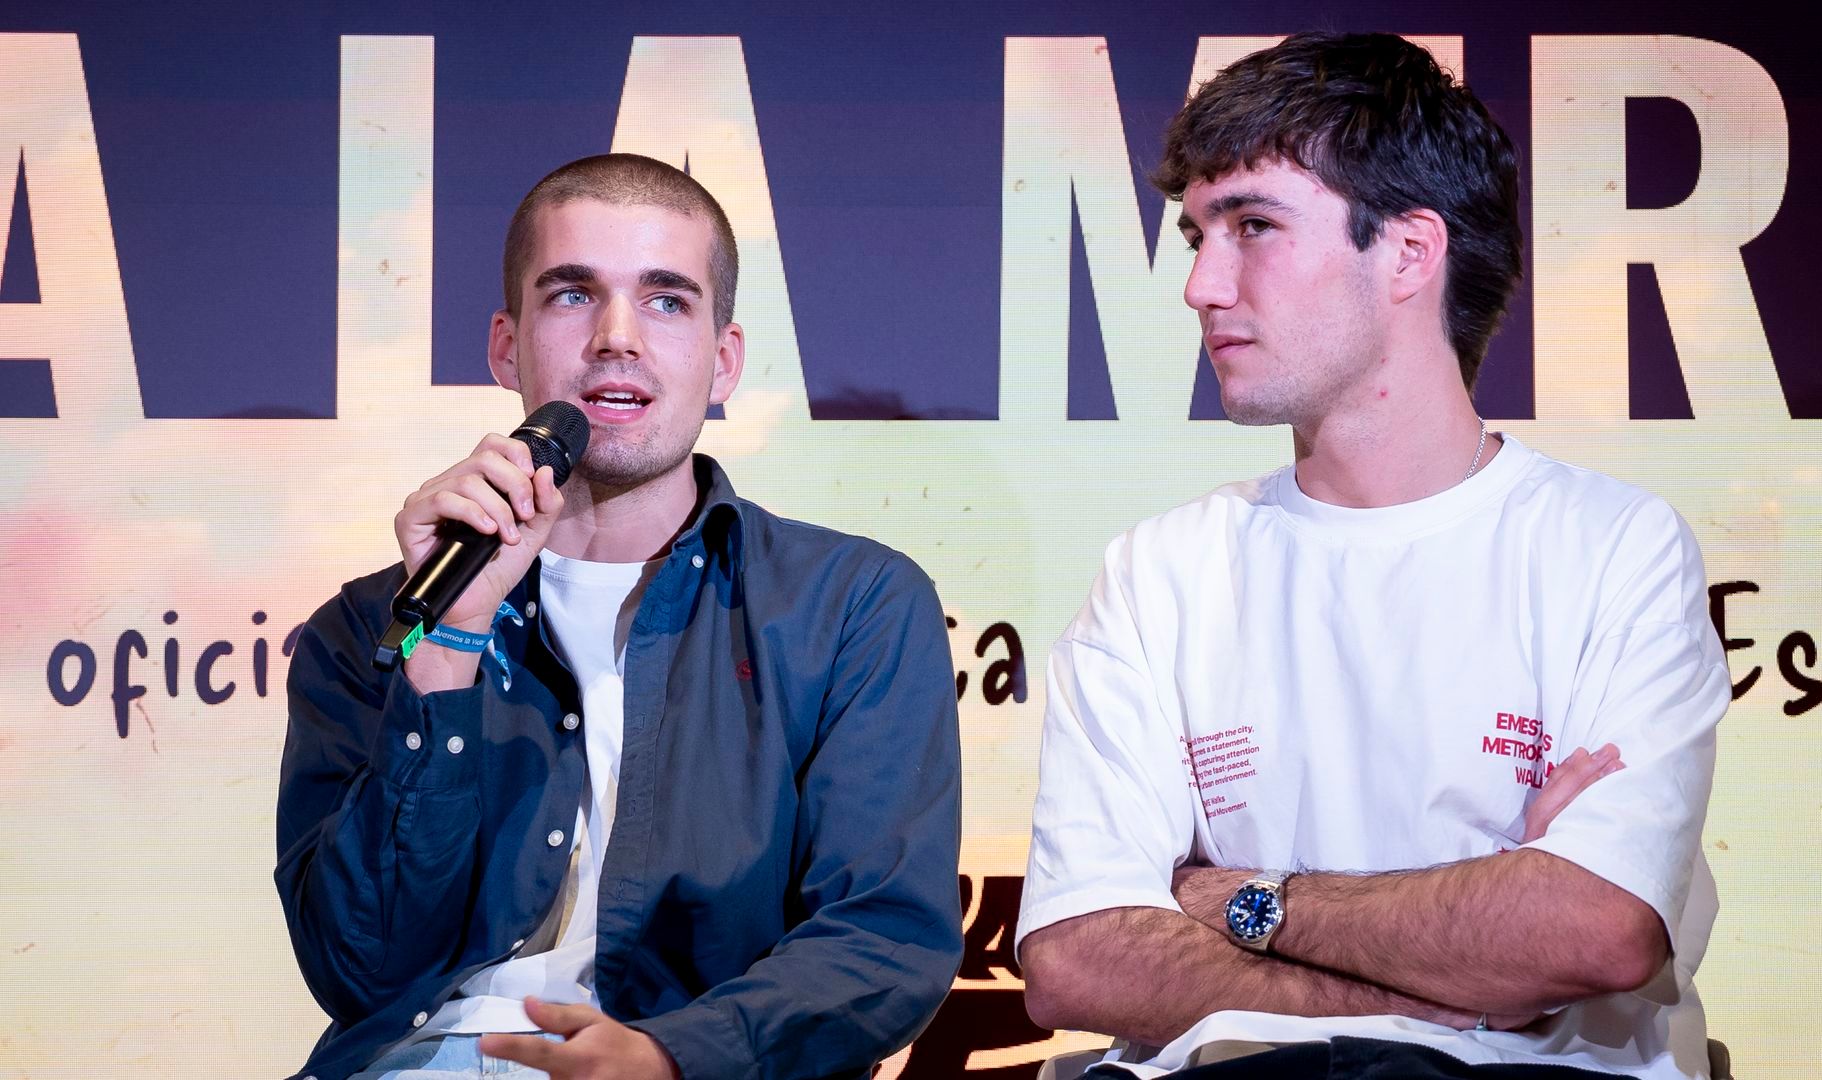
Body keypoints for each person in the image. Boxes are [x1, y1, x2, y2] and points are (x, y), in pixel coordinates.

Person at [1016, 33, 1728, 1080]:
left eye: (1252, 226)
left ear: (1407, 252)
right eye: (1195, 237)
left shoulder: (1613, 546)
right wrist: (1470, 952)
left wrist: (1232, 900)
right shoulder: (1161, 571)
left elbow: (1591, 930)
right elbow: (1080, 959)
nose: (1201, 286)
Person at [276, 153, 963, 1080]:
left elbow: (885, 940)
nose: (616, 337)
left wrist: (672, 1057)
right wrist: (447, 648)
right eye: (571, 295)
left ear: (723, 362)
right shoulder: (373, 625)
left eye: (667, 300)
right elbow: (356, 966)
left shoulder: (851, 605)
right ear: (504, 347)